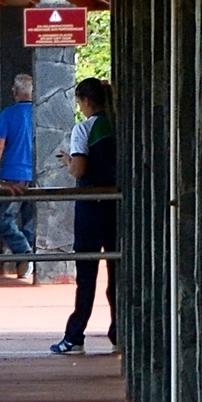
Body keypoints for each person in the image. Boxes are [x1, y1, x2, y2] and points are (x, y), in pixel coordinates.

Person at [53, 76, 118, 355]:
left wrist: (67, 160)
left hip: (91, 207)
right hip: (116, 205)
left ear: (87, 101)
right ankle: (120, 330)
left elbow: (79, 169)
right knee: (118, 271)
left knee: (87, 273)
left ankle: (75, 334)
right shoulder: (116, 125)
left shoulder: (83, 129)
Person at [0, 69, 39, 277]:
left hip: (12, 174)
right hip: (34, 174)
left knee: (4, 219)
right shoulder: (39, 112)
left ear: (15, 91)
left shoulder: (9, 114)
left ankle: (24, 253)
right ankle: (27, 264)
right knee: (30, 221)